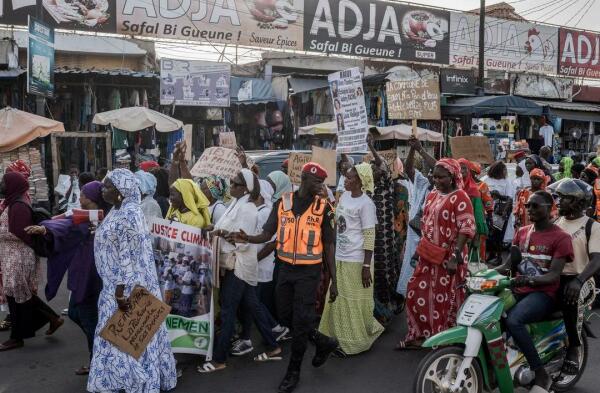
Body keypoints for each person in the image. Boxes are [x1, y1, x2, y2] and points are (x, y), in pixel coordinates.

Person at [228, 162, 338, 393]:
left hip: (309, 272)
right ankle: (322, 341)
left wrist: (334, 281)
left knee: (300, 321)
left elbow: (329, 246)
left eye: (322, 182)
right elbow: (268, 234)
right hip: (285, 269)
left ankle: (293, 372)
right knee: (286, 316)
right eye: (317, 182)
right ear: (305, 179)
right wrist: (247, 238)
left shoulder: (324, 207)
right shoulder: (283, 202)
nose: (321, 187)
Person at [87, 169, 177, 392]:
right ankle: (121, 380)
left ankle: (136, 381)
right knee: (119, 338)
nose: (102, 190)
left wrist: (121, 293)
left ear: (121, 192)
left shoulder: (130, 214)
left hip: (125, 290)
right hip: (114, 287)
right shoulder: (117, 210)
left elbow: (130, 257)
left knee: (124, 337)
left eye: (107, 187)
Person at [199, 169, 282, 372]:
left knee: (228, 310)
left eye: (235, 184)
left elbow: (243, 242)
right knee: (252, 305)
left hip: (239, 266)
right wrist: (215, 230)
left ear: (245, 189)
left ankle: (219, 359)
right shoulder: (237, 204)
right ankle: (273, 345)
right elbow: (227, 229)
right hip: (236, 265)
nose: (231, 186)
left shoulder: (247, 210)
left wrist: (224, 234)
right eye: (232, 182)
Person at [24, 181, 110, 375]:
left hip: (93, 277)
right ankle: (102, 354)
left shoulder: (108, 218)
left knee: (89, 320)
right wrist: (45, 229)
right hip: (81, 273)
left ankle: (97, 362)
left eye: (83, 194)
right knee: (74, 313)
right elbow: (64, 223)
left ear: (92, 198)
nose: (80, 197)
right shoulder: (82, 216)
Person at [495, 191, 573, 392]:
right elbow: (507, 266)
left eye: (535, 206)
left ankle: (540, 373)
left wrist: (529, 279)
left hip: (545, 293)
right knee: (492, 314)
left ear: (549, 208)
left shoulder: (561, 237)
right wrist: (478, 272)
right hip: (520, 288)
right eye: (528, 206)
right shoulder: (521, 232)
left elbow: (553, 276)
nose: (530, 209)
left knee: (514, 320)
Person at [397, 159, 475, 350]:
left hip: (449, 258)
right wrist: (418, 252)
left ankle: (443, 338)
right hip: (428, 254)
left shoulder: (461, 197)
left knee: (444, 299)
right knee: (415, 292)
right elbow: (426, 226)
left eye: (442, 177)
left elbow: (466, 229)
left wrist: (455, 258)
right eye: (435, 176)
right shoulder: (432, 194)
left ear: (453, 177)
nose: (437, 180)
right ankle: (421, 334)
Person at [319, 163, 384, 356]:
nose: (345, 181)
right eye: (345, 177)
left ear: (360, 181)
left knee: (352, 302)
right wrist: (326, 202)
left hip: (357, 261)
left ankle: (355, 343)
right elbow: (337, 220)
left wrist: (366, 266)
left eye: (349, 178)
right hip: (340, 257)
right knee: (337, 299)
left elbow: (370, 236)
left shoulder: (366, 204)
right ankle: (336, 339)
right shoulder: (345, 197)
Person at [0, 172, 63, 351]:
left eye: (5, 182)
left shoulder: (19, 206)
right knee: (17, 294)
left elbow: (20, 233)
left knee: (19, 294)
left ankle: (18, 337)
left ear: (12, 185)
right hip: (12, 256)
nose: (2, 184)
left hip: (19, 256)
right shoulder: (12, 202)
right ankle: (49, 320)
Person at [231, 179, 289, 357]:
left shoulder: (266, 213)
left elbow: (272, 243)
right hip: (251, 264)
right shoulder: (256, 210)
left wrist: (253, 259)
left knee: (252, 302)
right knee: (252, 301)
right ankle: (272, 330)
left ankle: (256, 337)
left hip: (259, 265)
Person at [552, 179, 600, 375]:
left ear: (578, 202)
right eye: (559, 197)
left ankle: (574, 347)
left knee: (569, 296)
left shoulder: (592, 226)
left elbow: (597, 260)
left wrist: (579, 281)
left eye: (564, 198)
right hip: (555, 276)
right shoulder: (556, 223)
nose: (559, 202)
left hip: (582, 279)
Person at [367, 134, 403, 324]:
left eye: (377, 168)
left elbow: (381, 164)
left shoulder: (386, 184)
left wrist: (371, 147)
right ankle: (377, 309)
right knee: (373, 273)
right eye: (372, 169)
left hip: (385, 238)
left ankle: (388, 304)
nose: (375, 170)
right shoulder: (367, 188)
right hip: (371, 237)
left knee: (385, 272)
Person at [396, 136, 435, 297]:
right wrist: (412, 148)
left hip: (431, 240)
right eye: (433, 174)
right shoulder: (423, 183)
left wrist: (421, 149)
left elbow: (440, 165)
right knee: (411, 273)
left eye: (438, 175)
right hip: (414, 237)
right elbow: (409, 169)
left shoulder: (444, 192)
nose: (434, 177)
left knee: (427, 278)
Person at [458, 158, 488, 266]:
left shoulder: (474, 189)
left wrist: (476, 237)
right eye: (459, 168)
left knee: (468, 264)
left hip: (469, 234)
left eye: (464, 168)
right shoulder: (452, 187)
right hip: (453, 233)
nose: (461, 171)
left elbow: (478, 216)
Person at [484, 161, 515, 263]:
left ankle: (499, 257)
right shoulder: (486, 180)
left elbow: (510, 198)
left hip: (501, 211)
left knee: (498, 236)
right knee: (490, 235)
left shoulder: (507, 181)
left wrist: (499, 196)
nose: (505, 172)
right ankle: (491, 255)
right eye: (503, 169)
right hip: (489, 210)